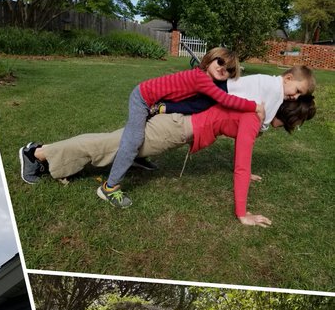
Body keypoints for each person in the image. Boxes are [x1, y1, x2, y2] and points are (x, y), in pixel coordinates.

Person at [18, 93, 316, 227]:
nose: (296, 127)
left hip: (178, 126)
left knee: (117, 144)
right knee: (108, 145)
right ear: (289, 116)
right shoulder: (254, 117)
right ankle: (38, 154)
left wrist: (247, 171)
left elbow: (243, 153)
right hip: (174, 127)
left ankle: (50, 155)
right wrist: (242, 213)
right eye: (298, 122)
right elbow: (241, 162)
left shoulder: (255, 112)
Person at [96, 52, 262, 208]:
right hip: (142, 99)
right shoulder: (201, 79)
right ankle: (109, 187)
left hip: (152, 101)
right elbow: (224, 99)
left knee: (145, 134)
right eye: (220, 62)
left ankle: (137, 159)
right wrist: (255, 106)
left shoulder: (203, 78)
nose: (223, 68)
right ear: (210, 59)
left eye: (229, 69)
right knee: (133, 139)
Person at [159, 64, 315, 129]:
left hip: (228, 85)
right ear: (288, 78)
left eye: (300, 95)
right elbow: (268, 118)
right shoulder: (277, 91)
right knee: (198, 105)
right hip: (225, 90)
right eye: (297, 91)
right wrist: (263, 126)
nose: (295, 97)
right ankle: (165, 107)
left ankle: (166, 101)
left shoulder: (271, 80)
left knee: (194, 99)